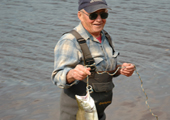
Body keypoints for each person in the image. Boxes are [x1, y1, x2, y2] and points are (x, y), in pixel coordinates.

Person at [51, 0, 135, 120]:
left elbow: (106, 70)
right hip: (76, 114)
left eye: (103, 14)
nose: (99, 19)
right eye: (93, 15)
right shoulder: (69, 40)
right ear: (80, 15)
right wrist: (73, 74)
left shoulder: (106, 37)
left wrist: (120, 69)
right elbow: (57, 76)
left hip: (99, 112)